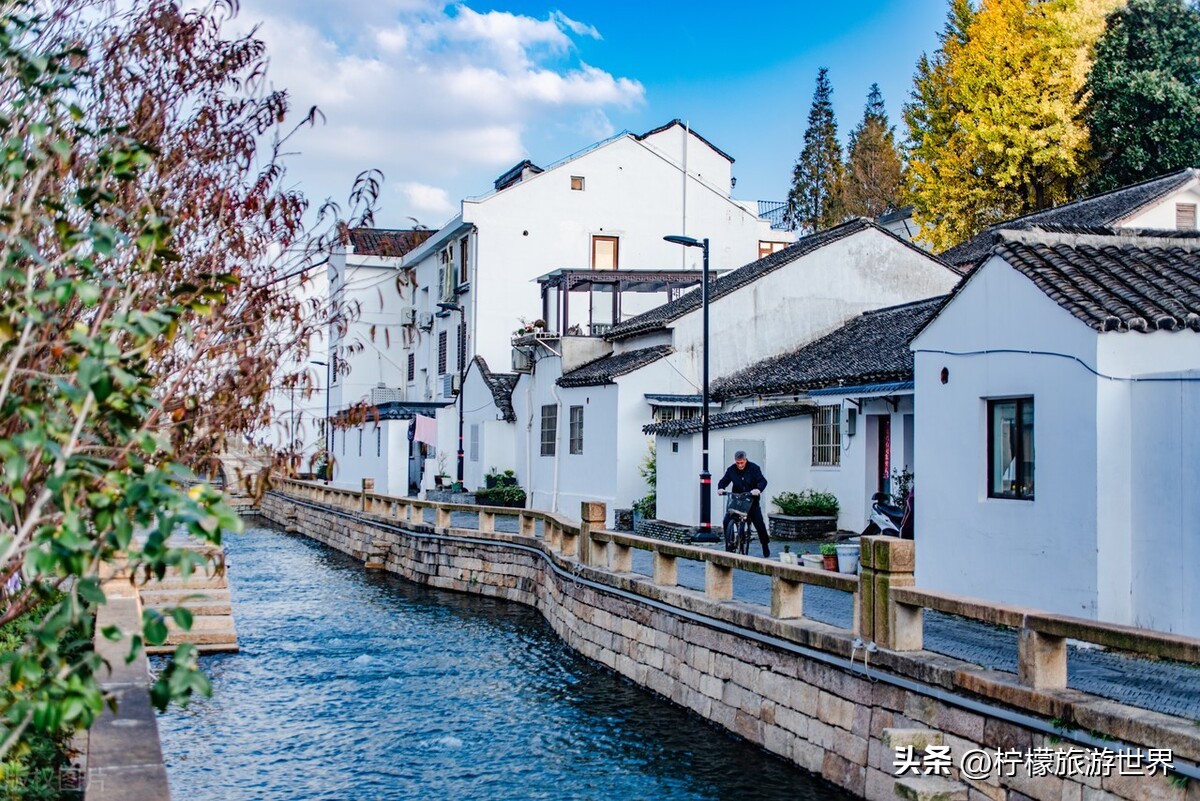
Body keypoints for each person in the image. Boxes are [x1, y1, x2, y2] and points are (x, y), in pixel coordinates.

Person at [716, 450, 770, 557]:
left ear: (745, 460)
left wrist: (758, 489)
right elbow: (723, 481)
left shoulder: (754, 468)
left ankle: (765, 544)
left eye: (742, 463)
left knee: (759, 524)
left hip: (751, 501)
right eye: (738, 463)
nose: (740, 465)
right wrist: (720, 488)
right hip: (737, 501)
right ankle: (730, 544)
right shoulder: (731, 469)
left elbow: (762, 481)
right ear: (735, 461)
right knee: (726, 521)